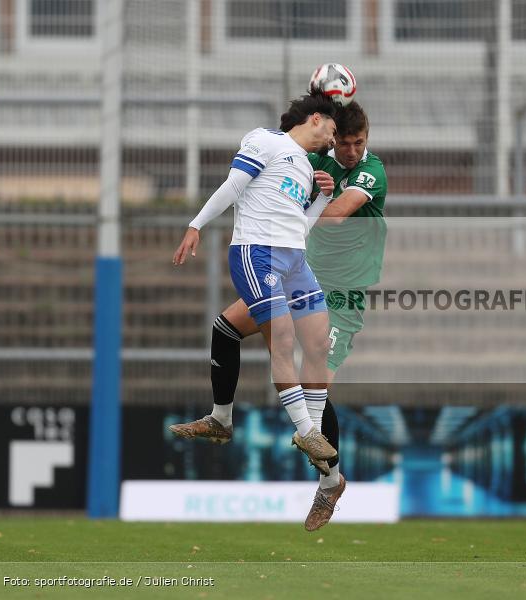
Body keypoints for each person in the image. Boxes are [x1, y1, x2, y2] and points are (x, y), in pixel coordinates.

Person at [170, 102, 388, 531]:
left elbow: (335, 215)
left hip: (341, 291)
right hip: (292, 268)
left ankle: (329, 480)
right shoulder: (305, 158)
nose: (347, 149)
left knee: (315, 375)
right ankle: (222, 417)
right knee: (227, 328)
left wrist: (318, 196)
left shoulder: (370, 170)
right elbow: (282, 152)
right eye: (340, 141)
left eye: (355, 143)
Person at [171, 93, 340, 478]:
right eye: (332, 130)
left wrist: (322, 200)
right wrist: (196, 224)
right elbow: (234, 186)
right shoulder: (265, 140)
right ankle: (307, 433)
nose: (333, 140)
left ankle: (310, 435)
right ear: (315, 118)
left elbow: (299, 227)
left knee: (317, 342)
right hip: (257, 254)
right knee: (282, 339)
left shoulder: (303, 167)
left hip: (294, 260)